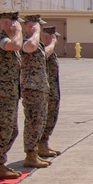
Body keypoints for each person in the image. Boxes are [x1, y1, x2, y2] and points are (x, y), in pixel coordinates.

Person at [0, 12, 24, 180]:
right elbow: (15, 46)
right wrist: (17, 32)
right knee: (3, 129)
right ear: (7, 23)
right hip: (1, 93)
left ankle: (0, 162)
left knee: (12, 130)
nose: (19, 26)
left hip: (10, 93)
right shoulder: (0, 39)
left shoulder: (9, 40)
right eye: (16, 23)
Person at [20, 15, 51, 169]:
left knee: (39, 121)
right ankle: (30, 154)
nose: (42, 29)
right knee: (33, 121)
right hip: (32, 88)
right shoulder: (27, 40)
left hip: (39, 87)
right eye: (39, 26)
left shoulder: (35, 41)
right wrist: (35, 32)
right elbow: (30, 47)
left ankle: (34, 153)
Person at [38, 26, 62, 158]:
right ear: (47, 37)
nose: (56, 40)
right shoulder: (41, 49)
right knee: (43, 118)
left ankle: (44, 144)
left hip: (53, 90)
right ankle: (39, 146)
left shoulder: (51, 51)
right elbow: (42, 57)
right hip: (45, 91)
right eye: (54, 37)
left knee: (51, 117)